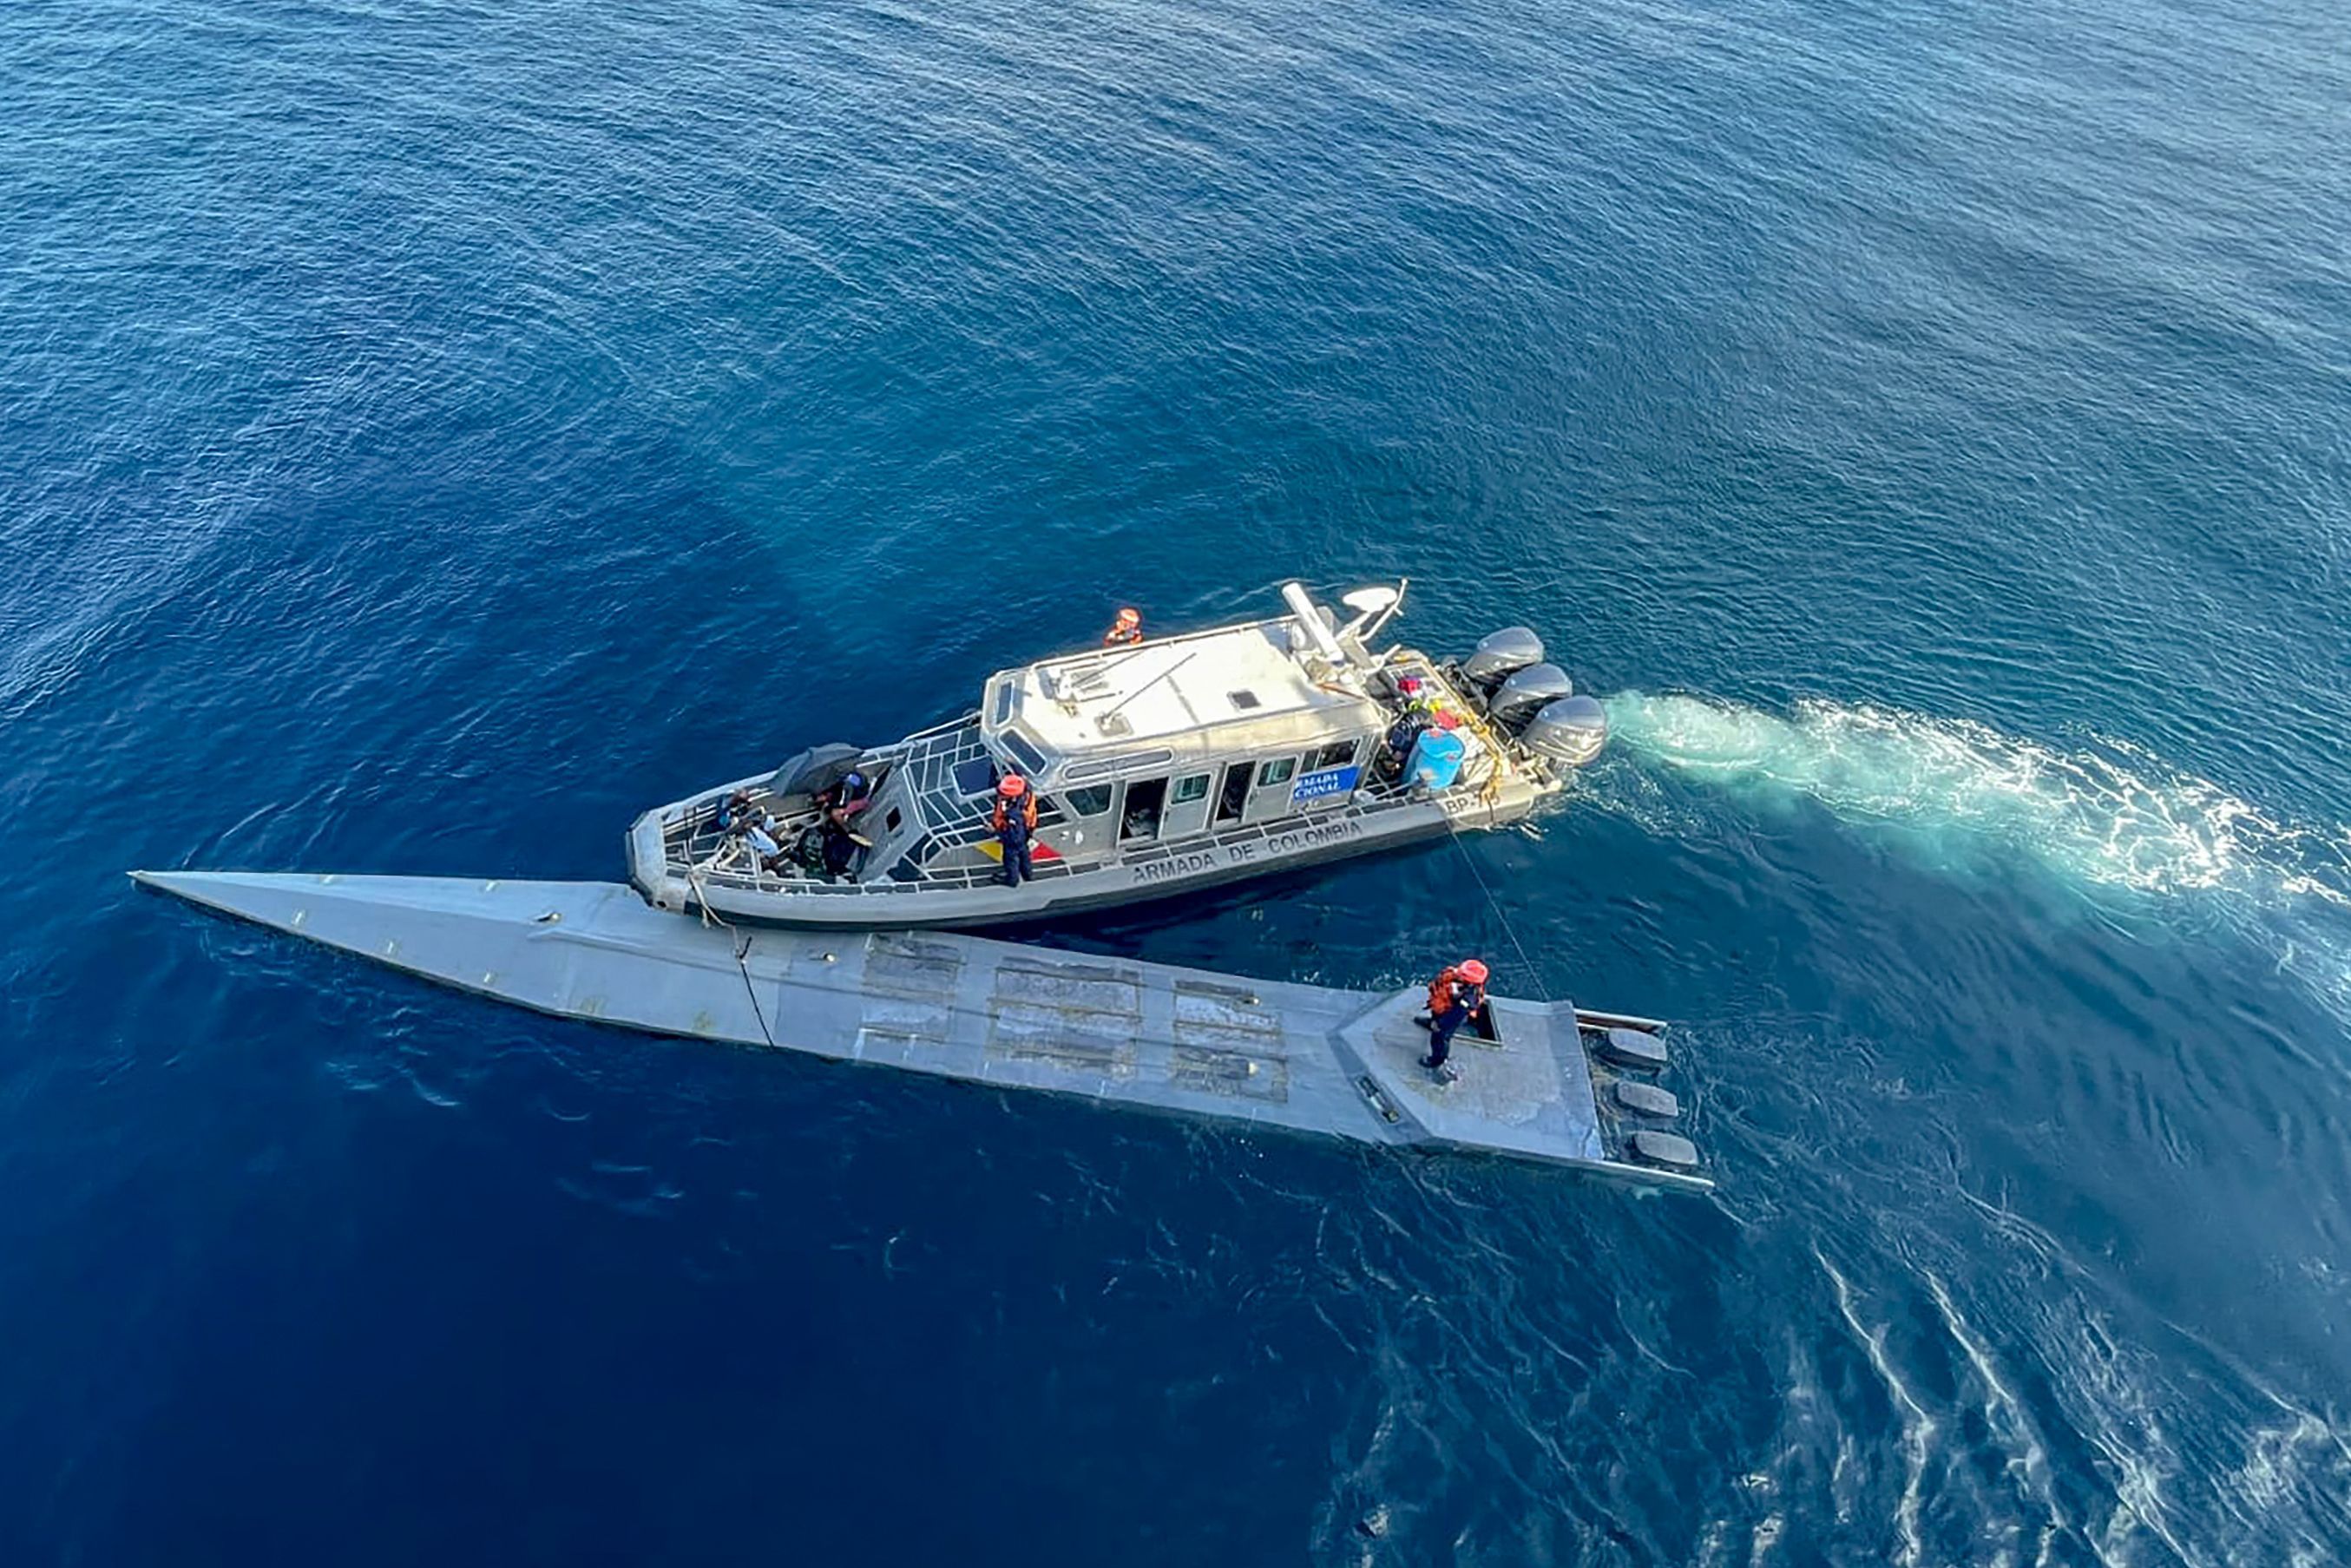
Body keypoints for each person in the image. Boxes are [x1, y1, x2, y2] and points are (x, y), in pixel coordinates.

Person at [1420, 958, 1490, 1082]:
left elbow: (1455, 1015)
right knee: (1436, 1019)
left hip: (1450, 1016)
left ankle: (1437, 1060)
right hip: (1441, 1008)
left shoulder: (1468, 999)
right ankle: (1432, 1022)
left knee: (1441, 1037)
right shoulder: (1457, 978)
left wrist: (1441, 1025)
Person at [991, 774, 1040, 886]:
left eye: (1003, 794)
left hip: (1015, 839)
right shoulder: (1026, 795)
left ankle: (1012, 880)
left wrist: (995, 831)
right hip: (1026, 832)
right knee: (1024, 855)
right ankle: (1028, 875)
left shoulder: (1014, 814)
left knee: (1011, 859)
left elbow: (1014, 838)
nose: (1001, 795)